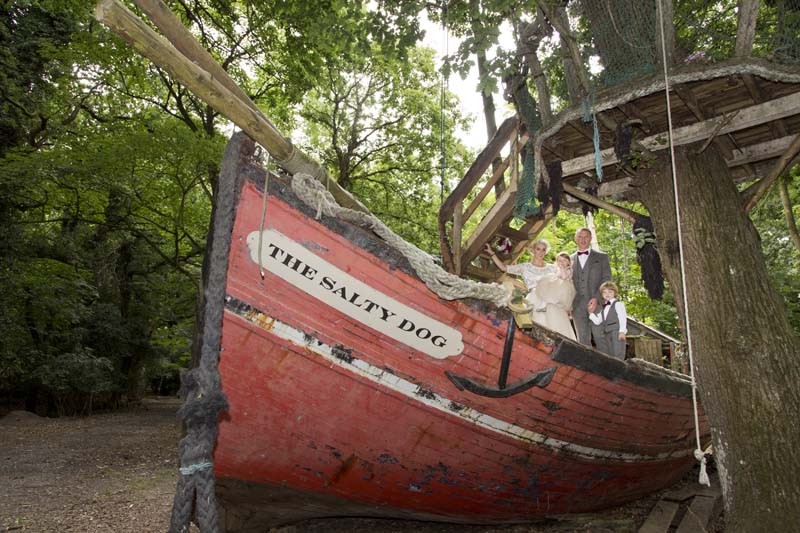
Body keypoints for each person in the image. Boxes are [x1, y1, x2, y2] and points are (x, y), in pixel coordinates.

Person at [485, 239, 554, 327]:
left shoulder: (552, 268)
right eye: (538, 249)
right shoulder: (525, 267)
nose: (541, 252)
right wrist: (492, 253)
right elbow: (503, 268)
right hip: (534, 299)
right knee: (536, 325)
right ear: (533, 250)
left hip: (550, 300)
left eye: (543, 249)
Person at [570, 227, 612, 347]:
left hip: (598, 304)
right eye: (580, 237)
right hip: (577, 306)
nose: (583, 240)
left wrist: (597, 298)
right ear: (576, 239)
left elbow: (607, 280)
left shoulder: (602, 257)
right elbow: (565, 283)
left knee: (600, 337)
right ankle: (585, 365)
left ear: (591, 238)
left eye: (586, 237)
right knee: (582, 340)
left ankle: (607, 364)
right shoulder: (569, 259)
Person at [534, 252, 577, 340]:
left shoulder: (568, 270)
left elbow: (564, 277)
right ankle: (545, 304)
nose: (562, 263)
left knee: (560, 283)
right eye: (560, 261)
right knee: (548, 280)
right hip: (555, 291)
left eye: (564, 261)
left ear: (569, 262)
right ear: (557, 262)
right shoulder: (556, 270)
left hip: (563, 291)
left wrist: (562, 269)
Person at [588, 281, 628, 359]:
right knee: (610, 355)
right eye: (604, 292)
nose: (607, 294)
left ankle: (619, 368)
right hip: (607, 333)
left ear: (615, 292)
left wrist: (622, 332)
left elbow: (622, 318)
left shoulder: (618, 304)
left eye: (610, 292)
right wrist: (590, 313)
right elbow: (598, 321)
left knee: (618, 353)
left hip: (616, 332)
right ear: (602, 294)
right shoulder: (604, 307)